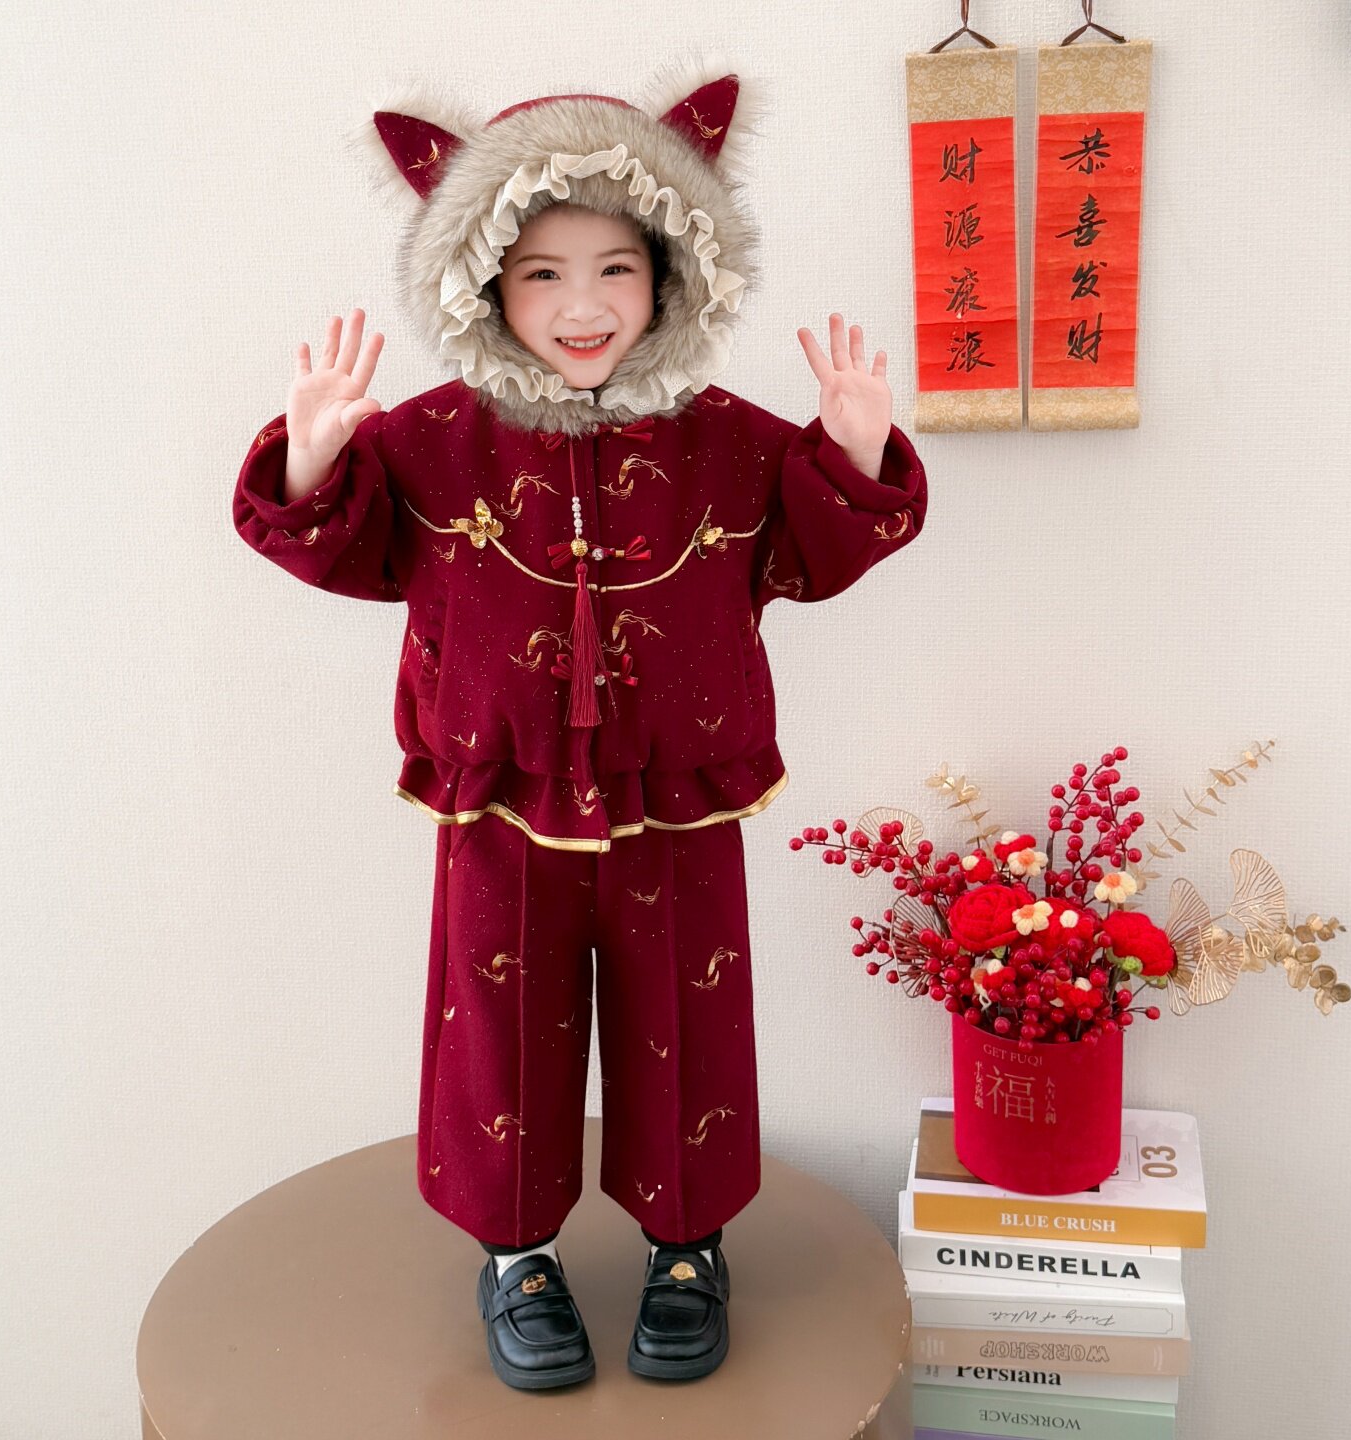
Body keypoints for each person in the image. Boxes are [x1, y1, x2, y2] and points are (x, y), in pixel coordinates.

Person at [233, 69, 928, 1391]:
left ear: (671, 277)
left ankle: (689, 1248)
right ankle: (516, 1257)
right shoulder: (428, 443)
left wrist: (851, 453)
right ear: (484, 285)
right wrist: (313, 458)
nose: (585, 304)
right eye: (542, 274)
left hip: (681, 792)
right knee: (496, 1023)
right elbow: (338, 547)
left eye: (618, 267)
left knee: (691, 1015)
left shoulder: (729, 442)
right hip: (498, 797)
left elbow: (812, 551)